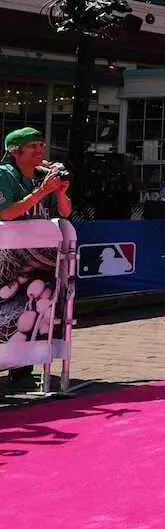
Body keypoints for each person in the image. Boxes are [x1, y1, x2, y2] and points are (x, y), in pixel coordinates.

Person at [0, 127, 71, 389]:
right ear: (15, 151)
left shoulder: (43, 175)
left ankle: (23, 370)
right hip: (8, 259)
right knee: (6, 313)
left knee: (40, 312)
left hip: (42, 258)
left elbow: (65, 211)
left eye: (42, 145)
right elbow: (6, 214)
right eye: (33, 146)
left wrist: (61, 191)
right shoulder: (4, 175)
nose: (41, 151)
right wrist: (42, 192)